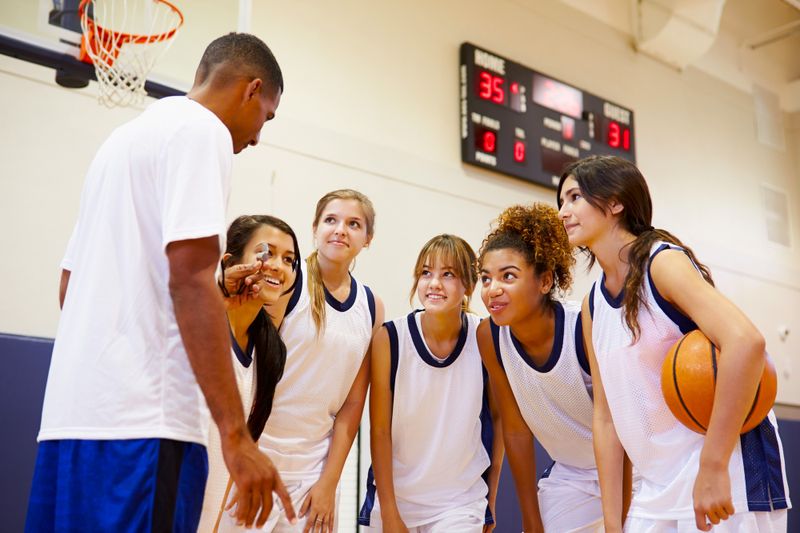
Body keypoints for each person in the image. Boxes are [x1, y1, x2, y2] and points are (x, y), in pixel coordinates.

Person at [27, 33, 294, 532]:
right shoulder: (203, 131)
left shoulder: (120, 142)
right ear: (251, 90)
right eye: (267, 116)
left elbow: (71, 287)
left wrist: (208, 291)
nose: (258, 136)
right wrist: (236, 437)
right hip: (144, 429)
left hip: (68, 424)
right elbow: (189, 279)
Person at [556, 155, 791, 532]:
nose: (563, 212)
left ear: (615, 202)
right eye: (561, 202)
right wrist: (613, 521)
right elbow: (606, 417)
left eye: (574, 198)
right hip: (655, 488)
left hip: (724, 471)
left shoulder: (661, 264)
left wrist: (713, 466)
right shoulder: (593, 304)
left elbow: (746, 343)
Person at [219, 189, 384, 533]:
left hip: (314, 471)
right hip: (259, 452)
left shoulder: (371, 305)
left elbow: (352, 405)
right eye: (331, 220)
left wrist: (329, 482)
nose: (340, 229)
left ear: (367, 239)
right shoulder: (288, 282)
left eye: (354, 224)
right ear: (314, 227)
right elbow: (253, 368)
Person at [476, 203, 619, 533]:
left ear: (544, 281)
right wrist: (531, 520)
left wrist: (616, 520)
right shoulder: (490, 336)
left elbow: (620, 429)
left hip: (630, 470)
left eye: (508, 276)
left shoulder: (583, 326)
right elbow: (515, 429)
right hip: (572, 475)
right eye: (485, 278)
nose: (492, 289)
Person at [359, 234, 503, 533]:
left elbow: (499, 420)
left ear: (468, 285)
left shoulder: (485, 337)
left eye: (447, 274)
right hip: (397, 499)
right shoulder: (389, 338)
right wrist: (389, 512)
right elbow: (380, 430)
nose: (434, 283)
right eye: (426, 273)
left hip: (460, 502)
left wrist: (491, 497)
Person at [199, 215, 302, 532]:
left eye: (289, 260)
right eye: (266, 253)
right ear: (230, 262)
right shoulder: (197, 326)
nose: (278, 266)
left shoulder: (271, 353)